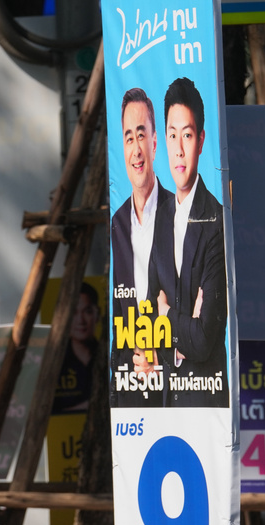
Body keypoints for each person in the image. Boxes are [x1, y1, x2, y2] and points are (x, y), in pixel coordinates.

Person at [150, 76, 229, 407]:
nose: (179, 149)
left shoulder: (216, 220)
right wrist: (181, 328)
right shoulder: (157, 215)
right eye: (172, 135)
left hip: (206, 400)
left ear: (201, 141)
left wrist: (167, 314)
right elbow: (145, 318)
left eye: (187, 135)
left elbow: (203, 341)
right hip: (165, 398)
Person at [109, 87, 177, 408]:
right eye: (127, 138)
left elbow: (200, 315)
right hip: (128, 393)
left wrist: (160, 364)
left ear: (154, 142)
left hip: (174, 393)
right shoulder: (118, 223)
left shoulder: (179, 214)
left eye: (141, 135)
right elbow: (118, 313)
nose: (135, 149)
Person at [53, 282, 99, 414]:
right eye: (74, 312)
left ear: (97, 314)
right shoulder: (56, 363)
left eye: (88, 311)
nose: (81, 320)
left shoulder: (110, 358)